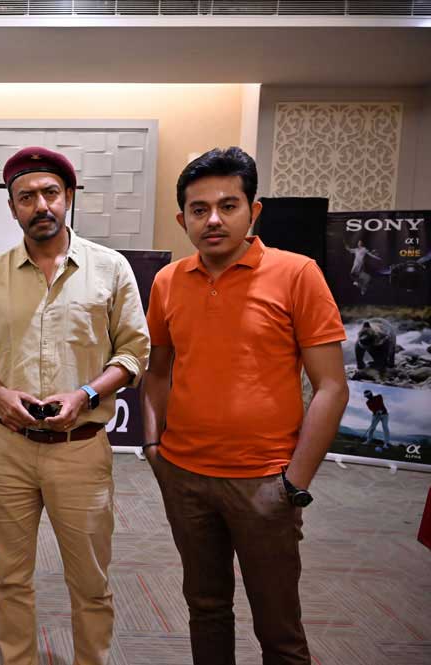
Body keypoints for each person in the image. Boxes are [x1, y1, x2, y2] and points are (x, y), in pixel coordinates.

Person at [141, 147, 349, 665]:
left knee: (278, 629)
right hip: (185, 477)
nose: (212, 219)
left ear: (252, 211)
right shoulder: (168, 281)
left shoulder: (297, 274)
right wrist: (153, 447)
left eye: (227, 206)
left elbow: (331, 387)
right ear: (183, 219)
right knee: (206, 610)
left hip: (265, 483)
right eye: (199, 209)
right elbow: (158, 371)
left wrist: (294, 483)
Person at [0, 146, 150, 665]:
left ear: (68, 197)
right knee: (10, 579)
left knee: (90, 582)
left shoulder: (110, 268)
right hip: (7, 448)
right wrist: (0, 394)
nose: (40, 205)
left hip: (79, 449)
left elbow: (135, 353)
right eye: (26, 197)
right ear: (12, 207)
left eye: (50, 193)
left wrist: (85, 394)